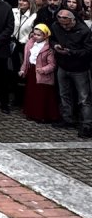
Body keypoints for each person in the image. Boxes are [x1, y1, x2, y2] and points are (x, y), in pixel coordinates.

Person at [50, 7, 92, 135]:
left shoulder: (84, 31)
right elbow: (52, 39)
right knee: (64, 94)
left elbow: (88, 50)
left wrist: (71, 52)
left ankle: (87, 124)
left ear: (72, 20)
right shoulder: (56, 26)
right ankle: (67, 118)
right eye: (61, 24)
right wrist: (55, 45)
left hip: (79, 68)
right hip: (63, 65)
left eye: (66, 24)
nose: (64, 27)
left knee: (84, 98)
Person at [18, 23, 60, 123]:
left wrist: (43, 70)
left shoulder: (48, 48)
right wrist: (23, 70)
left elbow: (52, 64)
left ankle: (42, 115)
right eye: (35, 34)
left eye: (39, 35)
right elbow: (26, 59)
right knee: (31, 93)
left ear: (45, 35)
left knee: (42, 96)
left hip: (42, 74)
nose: (36, 36)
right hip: (32, 71)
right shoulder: (31, 44)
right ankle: (31, 112)